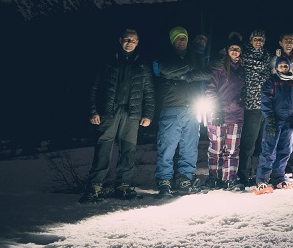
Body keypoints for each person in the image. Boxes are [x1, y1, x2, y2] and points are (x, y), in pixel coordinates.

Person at [79, 29, 155, 203]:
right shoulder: (108, 60)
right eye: (127, 39)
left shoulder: (142, 63)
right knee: (103, 149)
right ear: (120, 40)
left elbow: (149, 92)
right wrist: (93, 111)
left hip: (132, 114)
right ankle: (94, 187)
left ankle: (122, 186)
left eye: (133, 40)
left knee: (128, 150)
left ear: (138, 43)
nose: (130, 42)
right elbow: (94, 88)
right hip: (109, 112)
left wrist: (148, 114)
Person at [153, 27, 212, 197]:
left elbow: (205, 73)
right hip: (172, 107)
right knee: (167, 146)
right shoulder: (165, 56)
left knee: (190, 146)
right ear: (172, 41)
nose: (181, 40)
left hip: (192, 108)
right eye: (178, 38)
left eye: (184, 38)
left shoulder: (193, 56)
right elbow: (164, 70)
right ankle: (164, 180)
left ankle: (185, 179)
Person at [204, 35, 246, 190]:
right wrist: (215, 109)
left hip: (235, 114)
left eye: (238, 49)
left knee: (232, 149)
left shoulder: (242, 69)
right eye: (232, 49)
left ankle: (229, 177)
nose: (235, 52)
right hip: (218, 113)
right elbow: (210, 89)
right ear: (227, 50)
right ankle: (213, 177)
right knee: (216, 148)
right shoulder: (219, 68)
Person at [256, 58, 293, 191]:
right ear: (277, 68)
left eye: (285, 66)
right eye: (281, 66)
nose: (283, 68)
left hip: (288, 122)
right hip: (274, 121)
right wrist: (269, 118)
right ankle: (262, 179)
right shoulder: (272, 82)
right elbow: (266, 101)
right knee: (269, 150)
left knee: (285, 150)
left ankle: (278, 177)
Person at [236, 29, 272, 186]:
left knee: (262, 142)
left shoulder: (267, 57)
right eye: (256, 38)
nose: (258, 41)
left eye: (261, 39)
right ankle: (243, 174)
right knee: (248, 142)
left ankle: (261, 175)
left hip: (264, 104)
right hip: (249, 104)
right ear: (250, 40)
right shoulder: (243, 55)